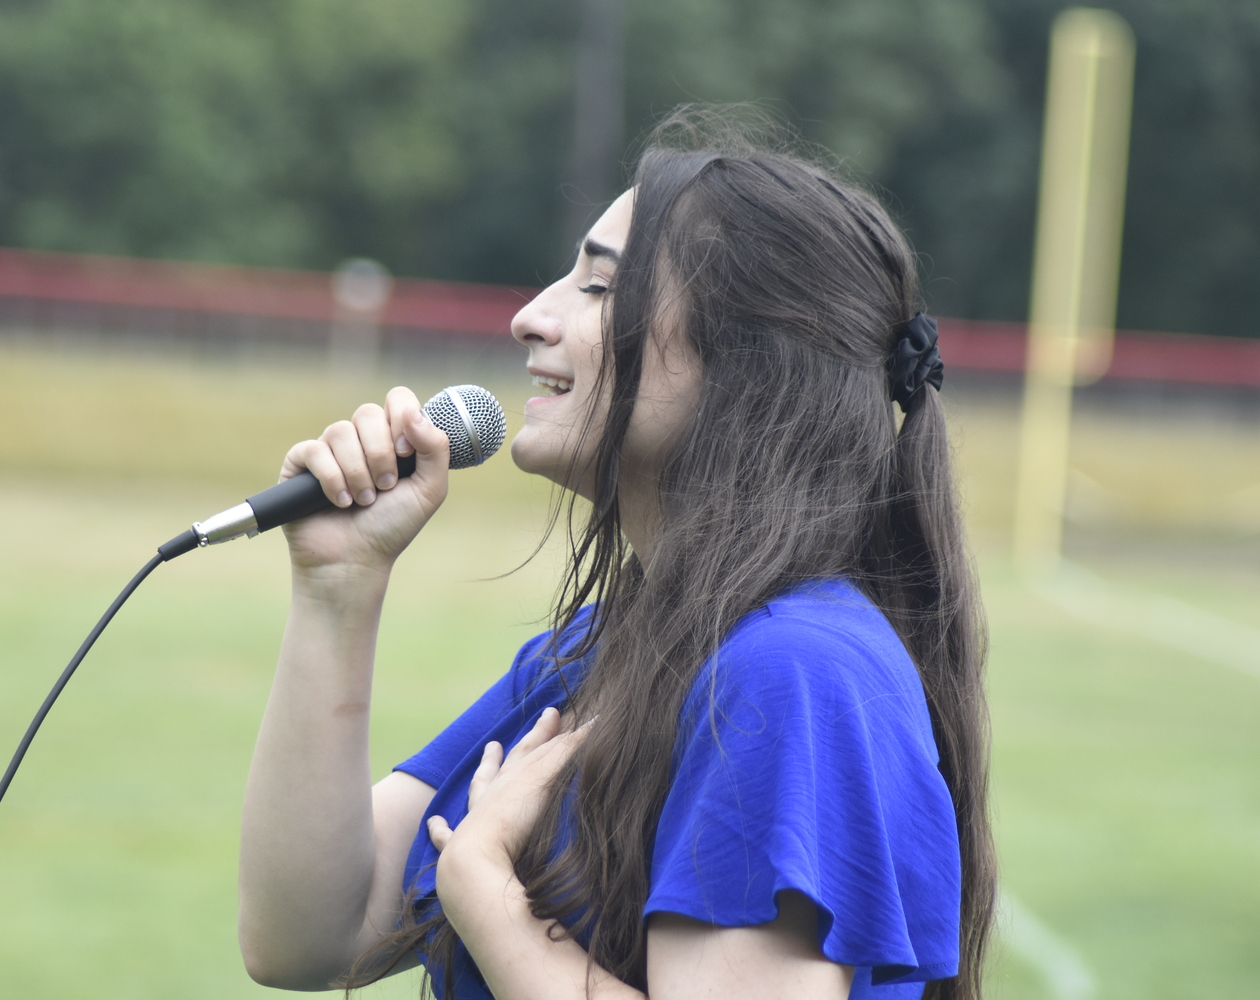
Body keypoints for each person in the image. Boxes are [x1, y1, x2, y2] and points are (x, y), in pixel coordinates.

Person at [235, 111, 994, 1000]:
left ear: (750, 361)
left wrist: (488, 894)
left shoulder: (791, 671)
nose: (529, 317)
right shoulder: (600, 652)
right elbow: (307, 938)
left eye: (600, 288)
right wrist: (339, 586)